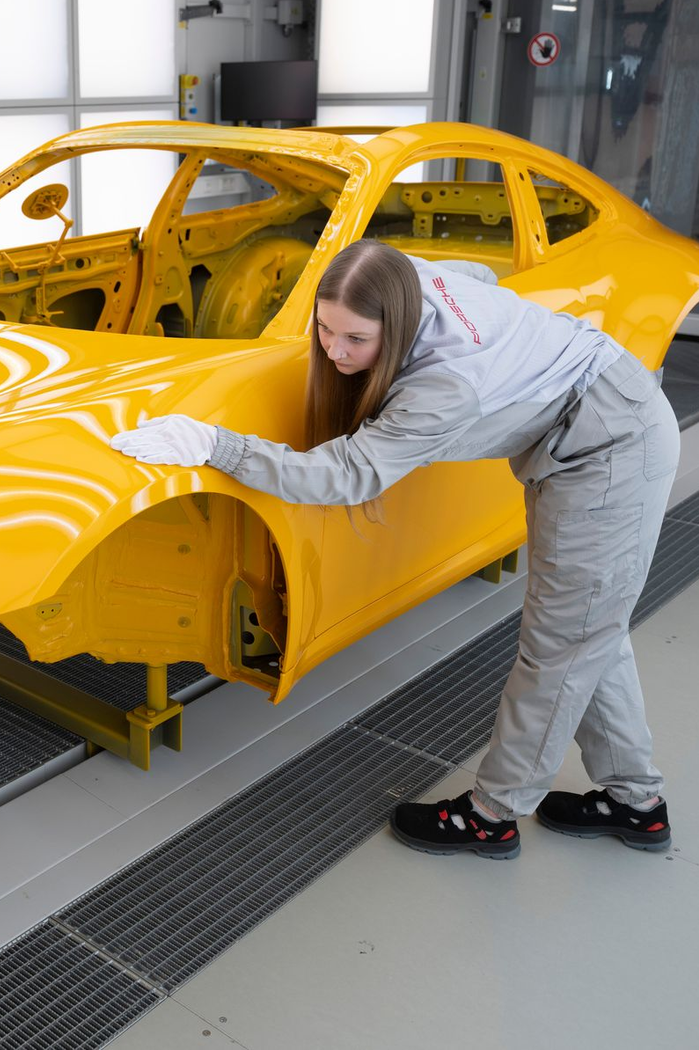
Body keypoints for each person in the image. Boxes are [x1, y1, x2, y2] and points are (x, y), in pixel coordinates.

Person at [112, 238, 677, 860]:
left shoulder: (444, 386)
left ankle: (493, 816)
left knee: (563, 641)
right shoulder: (407, 275)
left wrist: (219, 447)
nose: (334, 350)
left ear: (400, 320)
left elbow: (348, 474)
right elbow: (475, 269)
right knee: (591, 626)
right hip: (589, 424)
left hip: (609, 447)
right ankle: (635, 801)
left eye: (357, 340)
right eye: (325, 329)